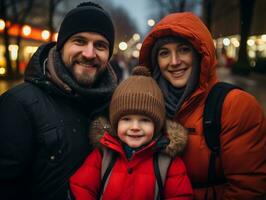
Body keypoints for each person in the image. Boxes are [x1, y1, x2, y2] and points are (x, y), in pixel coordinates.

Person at [139, 12, 266, 200]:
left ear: (199, 54)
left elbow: (248, 189)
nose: (174, 62)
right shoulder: (146, 107)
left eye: (183, 50)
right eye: (164, 53)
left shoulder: (235, 106)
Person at [0, 2, 117, 200]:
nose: (89, 54)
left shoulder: (115, 107)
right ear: (61, 45)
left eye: (100, 45)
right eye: (79, 41)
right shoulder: (18, 105)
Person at [69, 66, 193, 200]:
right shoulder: (104, 155)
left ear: (157, 126)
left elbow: (180, 196)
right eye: (126, 119)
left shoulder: (167, 162)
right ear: (115, 124)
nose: (135, 127)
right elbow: (81, 187)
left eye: (144, 120)